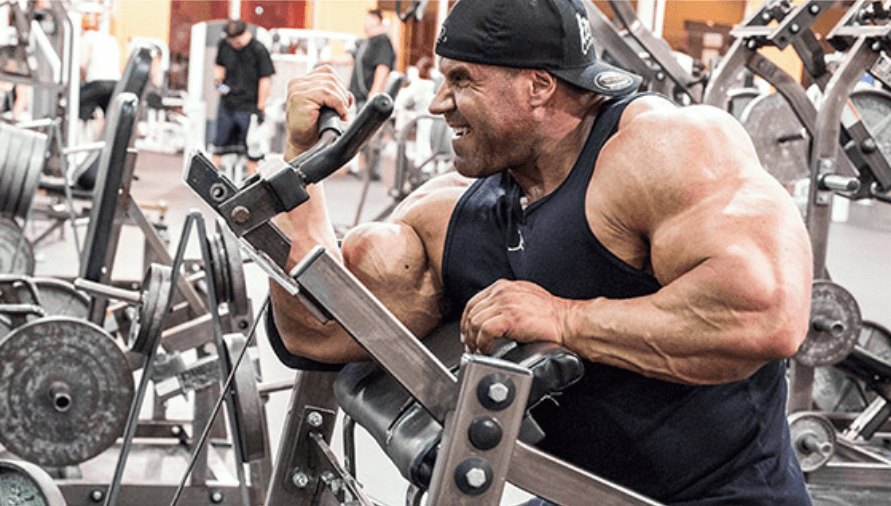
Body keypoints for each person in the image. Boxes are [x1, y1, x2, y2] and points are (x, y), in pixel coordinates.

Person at [268, 0, 815, 504]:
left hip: (725, 496)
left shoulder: (663, 149)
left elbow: (766, 316)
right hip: (576, 494)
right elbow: (315, 331)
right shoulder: (455, 210)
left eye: (462, 80)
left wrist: (565, 318)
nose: (438, 103)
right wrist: (301, 167)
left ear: (538, 86)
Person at [211, 19, 275, 177]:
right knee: (218, 147)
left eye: (237, 39)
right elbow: (219, 67)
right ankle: (209, 181)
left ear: (246, 33)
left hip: (249, 107)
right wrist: (219, 85)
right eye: (231, 40)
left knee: (252, 150)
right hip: (228, 105)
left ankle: (252, 183)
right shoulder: (224, 45)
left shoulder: (258, 50)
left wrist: (261, 106)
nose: (234, 42)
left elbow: (265, 80)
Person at [347, 9, 396, 180]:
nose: (364, 22)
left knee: (368, 133)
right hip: (358, 96)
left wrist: (374, 95)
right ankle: (363, 167)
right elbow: (351, 59)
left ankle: (372, 171)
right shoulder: (366, 42)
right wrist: (326, 61)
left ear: (376, 20)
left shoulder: (382, 42)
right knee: (358, 133)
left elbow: (382, 68)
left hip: (368, 96)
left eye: (367, 18)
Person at [78, 13, 121, 134]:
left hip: (97, 82)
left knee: (78, 107)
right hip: (115, 82)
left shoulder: (87, 37)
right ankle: (106, 142)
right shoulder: (111, 38)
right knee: (110, 115)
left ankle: (82, 140)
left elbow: (82, 63)